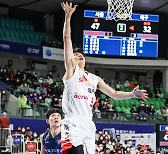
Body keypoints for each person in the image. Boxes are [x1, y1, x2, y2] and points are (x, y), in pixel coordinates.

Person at [61, 2, 148, 154]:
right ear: (71, 60)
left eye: (81, 55)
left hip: (88, 123)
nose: (78, 55)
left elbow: (114, 94)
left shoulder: (94, 78)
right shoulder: (71, 72)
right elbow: (66, 37)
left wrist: (133, 94)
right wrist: (68, 17)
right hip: (72, 122)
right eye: (75, 55)